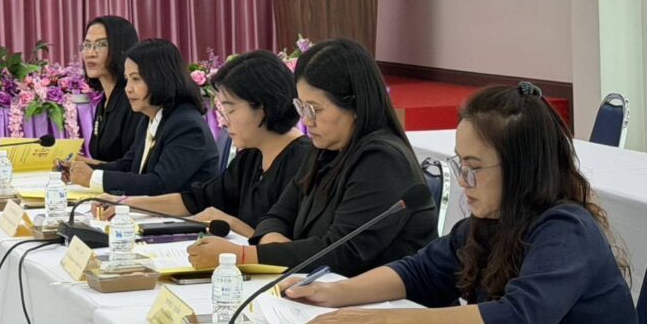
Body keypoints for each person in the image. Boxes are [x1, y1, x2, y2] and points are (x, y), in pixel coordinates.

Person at [284, 82, 647, 324]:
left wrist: (385, 321)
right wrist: (335, 293)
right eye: (460, 164)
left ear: (522, 169)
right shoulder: (489, 222)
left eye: (474, 168)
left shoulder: (566, 230)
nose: (463, 180)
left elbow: (517, 319)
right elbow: (420, 272)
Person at [188, 38, 436, 275]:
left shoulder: (382, 160)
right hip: (322, 288)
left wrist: (244, 256)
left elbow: (342, 252)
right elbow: (276, 216)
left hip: (383, 299)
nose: (306, 121)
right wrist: (274, 244)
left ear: (355, 105)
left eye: (315, 109)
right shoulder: (325, 150)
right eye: (302, 107)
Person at [115, 51, 312, 237]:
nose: (224, 122)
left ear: (263, 108)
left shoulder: (305, 163)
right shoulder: (252, 155)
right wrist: (126, 203)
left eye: (230, 110)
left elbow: (292, 249)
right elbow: (198, 199)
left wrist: (231, 223)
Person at [68, 39, 216, 196]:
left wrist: (93, 178)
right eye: (127, 80)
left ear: (160, 78)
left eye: (136, 79)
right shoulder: (150, 118)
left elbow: (160, 185)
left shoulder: (186, 125)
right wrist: (80, 169)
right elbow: (129, 165)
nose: (128, 89)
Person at [77, 16, 141, 165]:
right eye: (87, 45)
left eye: (101, 45)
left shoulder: (133, 98)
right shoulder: (105, 100)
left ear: (121, 49)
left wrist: (84, 165)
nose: (90, 53)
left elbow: (134, 166)